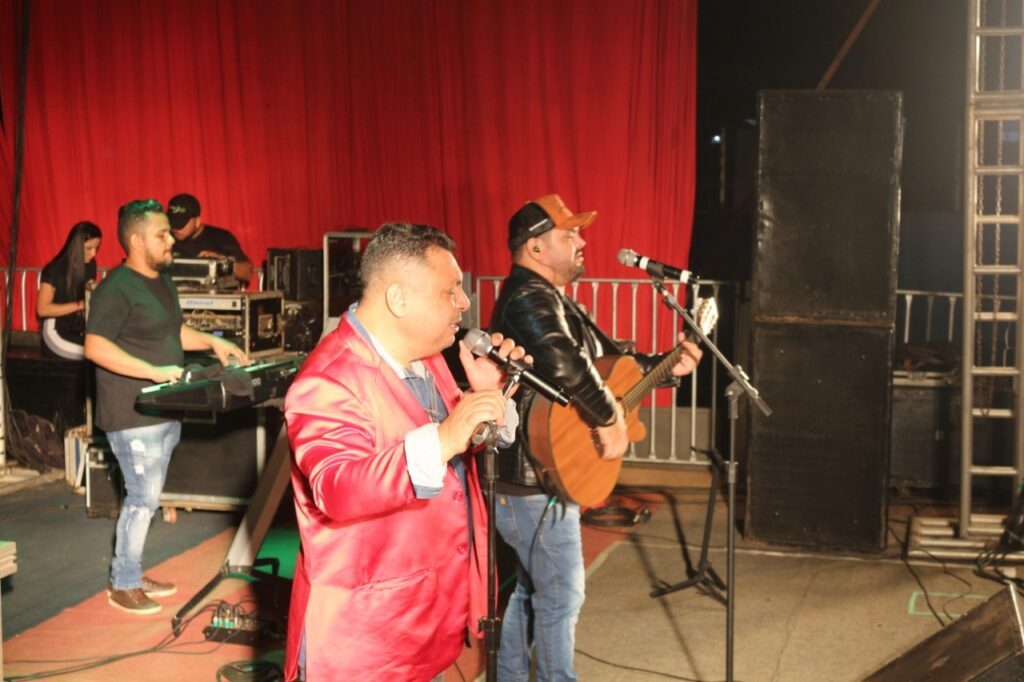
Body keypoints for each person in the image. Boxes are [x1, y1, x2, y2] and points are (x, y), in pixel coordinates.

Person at [283, 222, 526, 681]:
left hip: (424, 615)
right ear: (398, 299)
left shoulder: (427, 356)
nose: (464, 302)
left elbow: (449, 456)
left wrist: (488, 401)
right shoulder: (328, 379)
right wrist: (447, 435)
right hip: (366, 635)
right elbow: (336, 488)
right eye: (450, 290)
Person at [489, 194, 703, 681]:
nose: (581, 242)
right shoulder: (528, 298)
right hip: (533, 477)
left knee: (533, 592)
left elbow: (607, 366)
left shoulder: (553, 298)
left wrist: (667, 366)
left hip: (541, 476)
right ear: (536, 248)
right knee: (561, 595)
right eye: (569, 235)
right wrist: (608, 418)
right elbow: (567, 363)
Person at [84, 199, 249, 616]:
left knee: (149, 498)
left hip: (162, 411)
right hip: (132, 414)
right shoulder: (115, 288)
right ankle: (123, 583)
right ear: (137, 241)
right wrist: (153, 372)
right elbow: (95, 347)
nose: (171, 239)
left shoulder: (162, 279)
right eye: (161, 234)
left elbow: (172, 330)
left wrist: (212, 342)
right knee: (142, 499)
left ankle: (132, 572)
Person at [36, 221, 102, 360]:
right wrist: (80, 304)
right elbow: (42, 309)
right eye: (89, 248)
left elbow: (89, 292)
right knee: (96, 355)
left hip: (77, 331)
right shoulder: (54, 269)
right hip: (54, 334)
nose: (93, 253)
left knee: (106, 350)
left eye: (96, 248)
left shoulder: (90, 265)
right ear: (76, 246)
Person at [166, 192, 253, 284]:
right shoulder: (165, 238)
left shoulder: (221, 238)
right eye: (172, 222)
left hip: (214, 292)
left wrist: (221, 263)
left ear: (197, 221)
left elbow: (248, 272)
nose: (175, 229)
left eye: (180, 224)